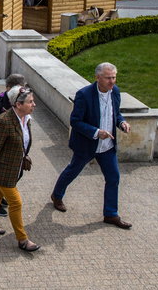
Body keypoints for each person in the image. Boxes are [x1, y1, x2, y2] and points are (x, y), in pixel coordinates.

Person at [51, 62, 132, 229]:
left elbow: (115, 114)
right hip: (87, 144)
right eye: (108, 78)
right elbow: (75, 121)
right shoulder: (84, 95)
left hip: (107, 146)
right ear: (97, 78)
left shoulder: (115, 92)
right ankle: (57, 195)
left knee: (113, 178)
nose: (112, 82)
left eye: (114, 77)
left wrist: (122, 122)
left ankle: (110, 214)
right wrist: (96, 132)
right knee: (73, 171)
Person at [0, 86, 40, 252]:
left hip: (15, 167)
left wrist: (24, 156)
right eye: (30, 102)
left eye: (33, 101)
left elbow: (22, 141)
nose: (34, 105)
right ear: (18, 104)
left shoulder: (26, 119)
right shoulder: (3, 121)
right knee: (15, 202)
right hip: (3, 170)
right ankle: (22, 240)